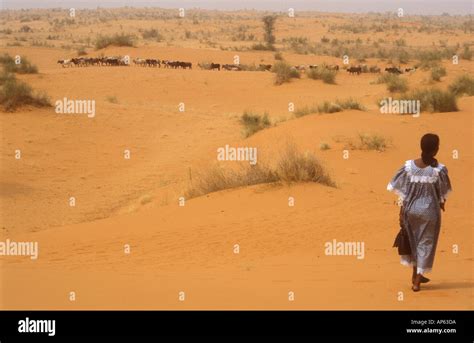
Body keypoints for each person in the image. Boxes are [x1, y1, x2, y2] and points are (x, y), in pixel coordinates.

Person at [387, 133, 452, 292]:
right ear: (436, 149)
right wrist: (442, 203)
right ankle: (416, 282)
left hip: (411, 212)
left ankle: (417, 274)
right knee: (426, 244)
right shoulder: (439, 170)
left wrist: (401, 212)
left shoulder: (408, 167)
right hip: (430, 213)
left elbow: (401, 192)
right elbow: (442, 194)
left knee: (414, 242)